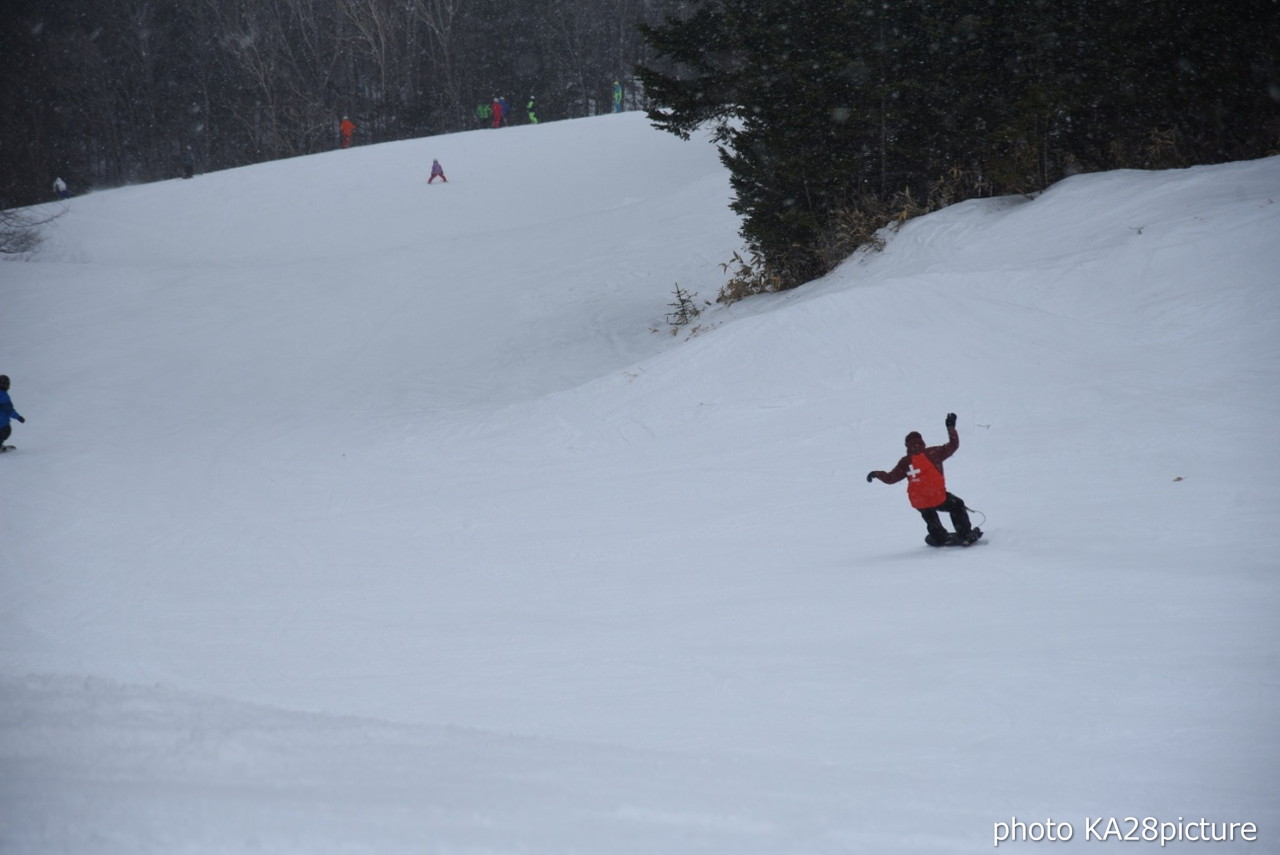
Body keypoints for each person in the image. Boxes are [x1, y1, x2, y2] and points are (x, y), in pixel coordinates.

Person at [866, 412, 981, 546]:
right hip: (936, 496)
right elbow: (953, 445)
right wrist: (950, 427)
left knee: (928, 512)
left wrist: (876, 474)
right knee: (957, 505)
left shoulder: (905, 462)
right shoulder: (934, 453)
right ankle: (965, 534)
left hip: (918, 500)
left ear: (906, 445)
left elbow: (891, 478)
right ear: (922, 441)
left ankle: (938, 536)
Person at [0, 375, 25, 452]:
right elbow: (9, 410)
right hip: (2, 422)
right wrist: (18, 417)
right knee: (6, 431)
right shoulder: (4, 396)